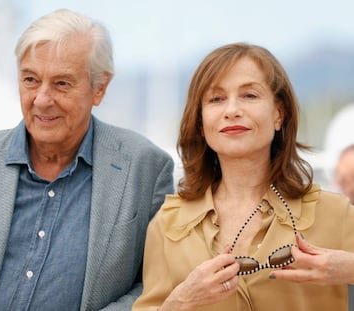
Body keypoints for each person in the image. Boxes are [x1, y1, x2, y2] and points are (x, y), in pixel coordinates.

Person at [0, 9, 174, 311]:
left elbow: (154, 285)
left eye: (62, 83)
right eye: (30, 80)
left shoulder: (147, 168)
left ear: (99, 88)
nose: (42, 99)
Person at [132, 42, 354, 311]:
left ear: (278, 114)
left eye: (249, 95)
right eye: (216, 99)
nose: (232, 110)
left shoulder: (336, 213)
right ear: (201, 123)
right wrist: (181, 301)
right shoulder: (166, 225)